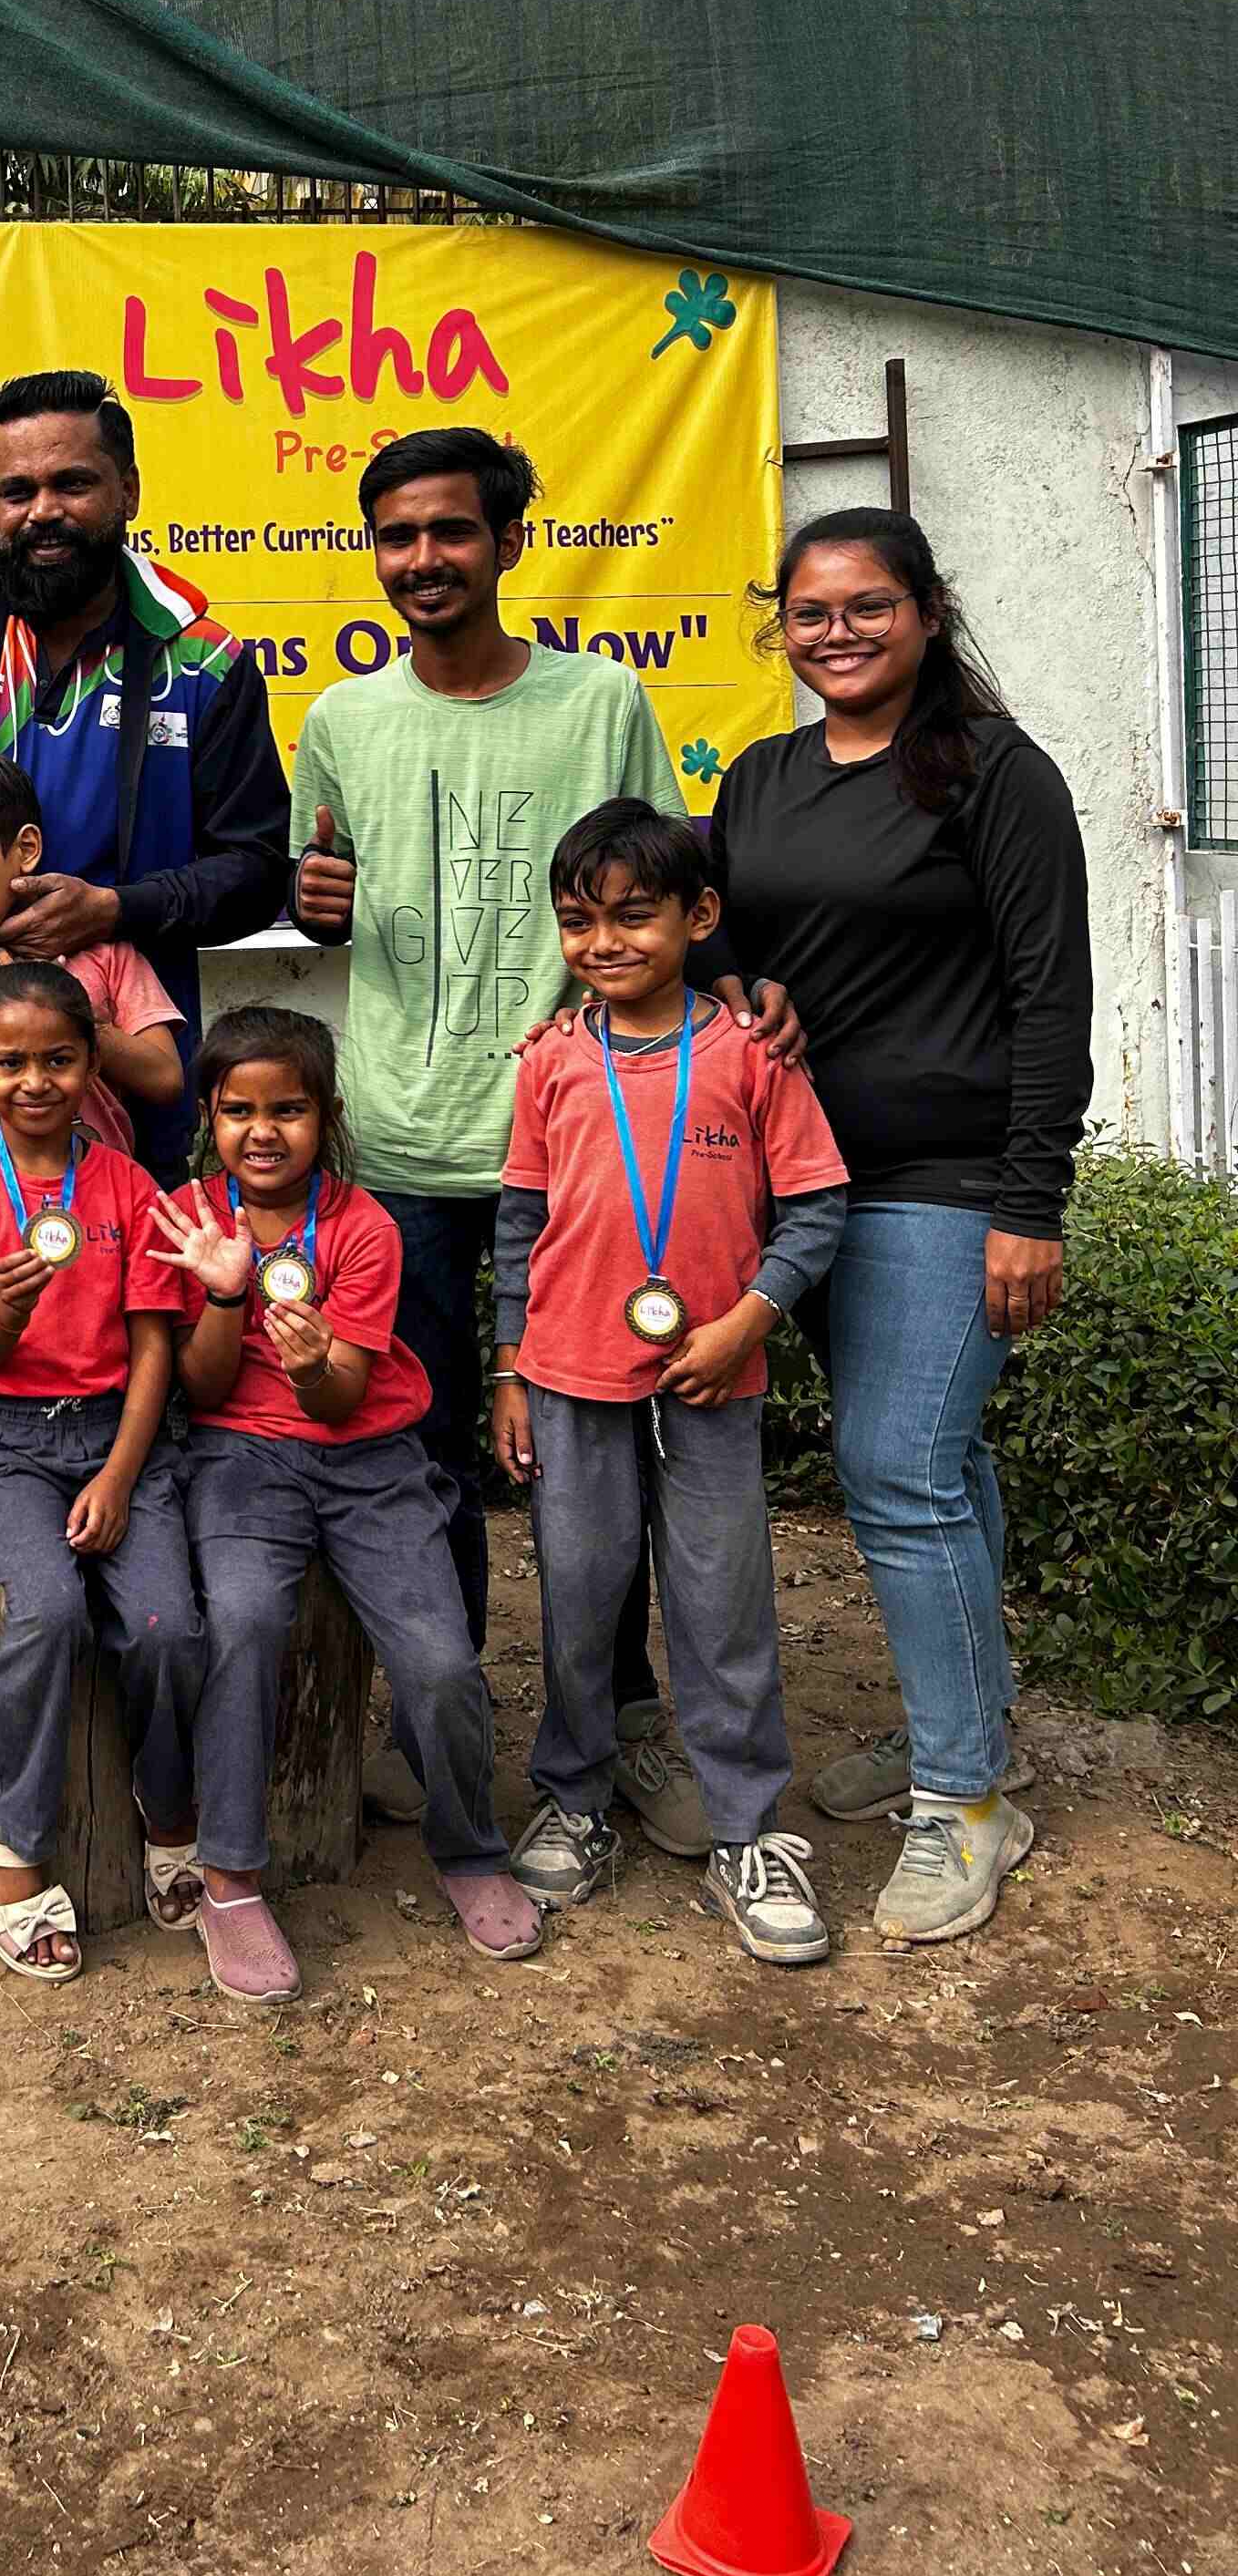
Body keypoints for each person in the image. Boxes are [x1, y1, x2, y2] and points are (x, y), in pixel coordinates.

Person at [288, 424, 789, 1853]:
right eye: (396, 535)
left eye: (451, 529)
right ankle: (435, 1720)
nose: (423, 558)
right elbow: (321, 893)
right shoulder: (341, 720)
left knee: (603, 1456)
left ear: (509, 541)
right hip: (403, 1139)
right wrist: (311, 903)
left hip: (589, 1148)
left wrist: (735, 986)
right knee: (420, 1450)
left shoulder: (602, 698)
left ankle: (623, 1722)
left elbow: (664, 880)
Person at [709, 509, 1090, 1949]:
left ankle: (964, 1801)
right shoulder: (764, 777)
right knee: (942, 1463)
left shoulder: (996, 773)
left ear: (928, 612)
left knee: (896, 1472)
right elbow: (714, 924)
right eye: (810, 613)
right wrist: (742, 981)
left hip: (948, 1176)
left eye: (869, 606)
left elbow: (1052, 995)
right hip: (803, 1182)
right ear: (783, 629)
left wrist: (1031, 1204)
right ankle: (975, 1731)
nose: (840, 634)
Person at [489, 803, 847, 1967]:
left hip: (711, 1383)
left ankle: (748, 1828)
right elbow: (520, 1224)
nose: (604, 942)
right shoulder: (551, 1059)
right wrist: (508, 1367)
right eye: (578, 921)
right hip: (570, 1378)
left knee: (723, 1606)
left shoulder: (750, 1055)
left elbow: (816, 1208)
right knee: (580, 1598)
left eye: (634, 916)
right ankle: (577, 1797)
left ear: (700, 917)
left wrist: (747, 1322)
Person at [153, 1006, 542, 2000]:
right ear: (209, 1117)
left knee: (441, 1661)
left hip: (369, 1457)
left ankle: (469, 1847)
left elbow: (342, 1396)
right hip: (239, 1456)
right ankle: (230, 1878)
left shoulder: (363, 1225)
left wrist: (314, 1362)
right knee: (243, 1622)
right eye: (238, 1110)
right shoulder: (190, 1217)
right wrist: (226, 1297)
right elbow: (201, 1388)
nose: (263, 1132)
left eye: (288, 1109)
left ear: (326, 1116)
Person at [0, 369, 291, 1181]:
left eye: (73, 484)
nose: (42, 510)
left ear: (129, 491)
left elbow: (257, 871)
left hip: (115, 1092)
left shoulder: (202, 659)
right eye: (17, 491)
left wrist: (116, 910)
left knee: (113, 1265)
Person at [0, 963, 202, 1981]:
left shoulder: (127, 1185)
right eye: (12, 1061)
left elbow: (154, 1348)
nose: (36, 1081)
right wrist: (9, 1305)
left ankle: (169, 1808)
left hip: (118, 1436)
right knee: (48, 1609)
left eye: (60, 1059)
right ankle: (9, 1841)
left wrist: (118, 1475)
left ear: (92, 1066)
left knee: (167, 1626)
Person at [0, 748, 185, 1158]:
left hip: (100, 1190)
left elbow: (166, 1079)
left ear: (26, 849)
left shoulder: (102, 952)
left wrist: (73, 1018)